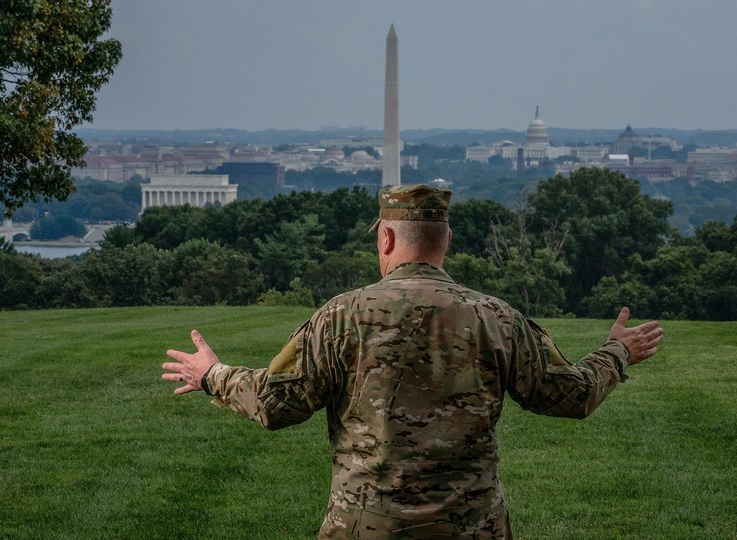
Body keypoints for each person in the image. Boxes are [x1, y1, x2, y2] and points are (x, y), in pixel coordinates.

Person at [163, 184, 664, 539]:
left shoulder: (341, 316)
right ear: (445, 243)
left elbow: (278, 403)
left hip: (365, 526)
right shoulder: (496, 317)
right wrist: (618, 350)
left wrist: (211, 374)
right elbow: (568, 394)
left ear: (385, 239)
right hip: (472, 528)